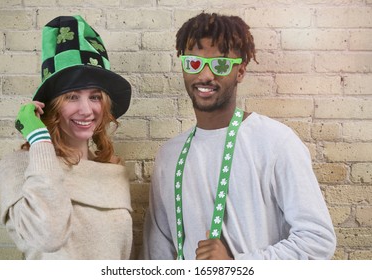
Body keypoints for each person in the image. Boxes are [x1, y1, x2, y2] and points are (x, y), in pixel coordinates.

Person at [141, 12, 336, 260]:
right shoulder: (169, 155)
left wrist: (236, 265)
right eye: (193, 63)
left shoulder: (276, 142)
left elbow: (317, 241)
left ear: (240, 71)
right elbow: (158, 250)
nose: (205, 76)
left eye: (220, 64)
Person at [0, 15, 133, 260]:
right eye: (71, 97)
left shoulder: (114, 172)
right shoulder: (18, 166)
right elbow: (47, 237)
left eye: (94, 97)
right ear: (52, 106)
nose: (86, 110)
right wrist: (40, 139)